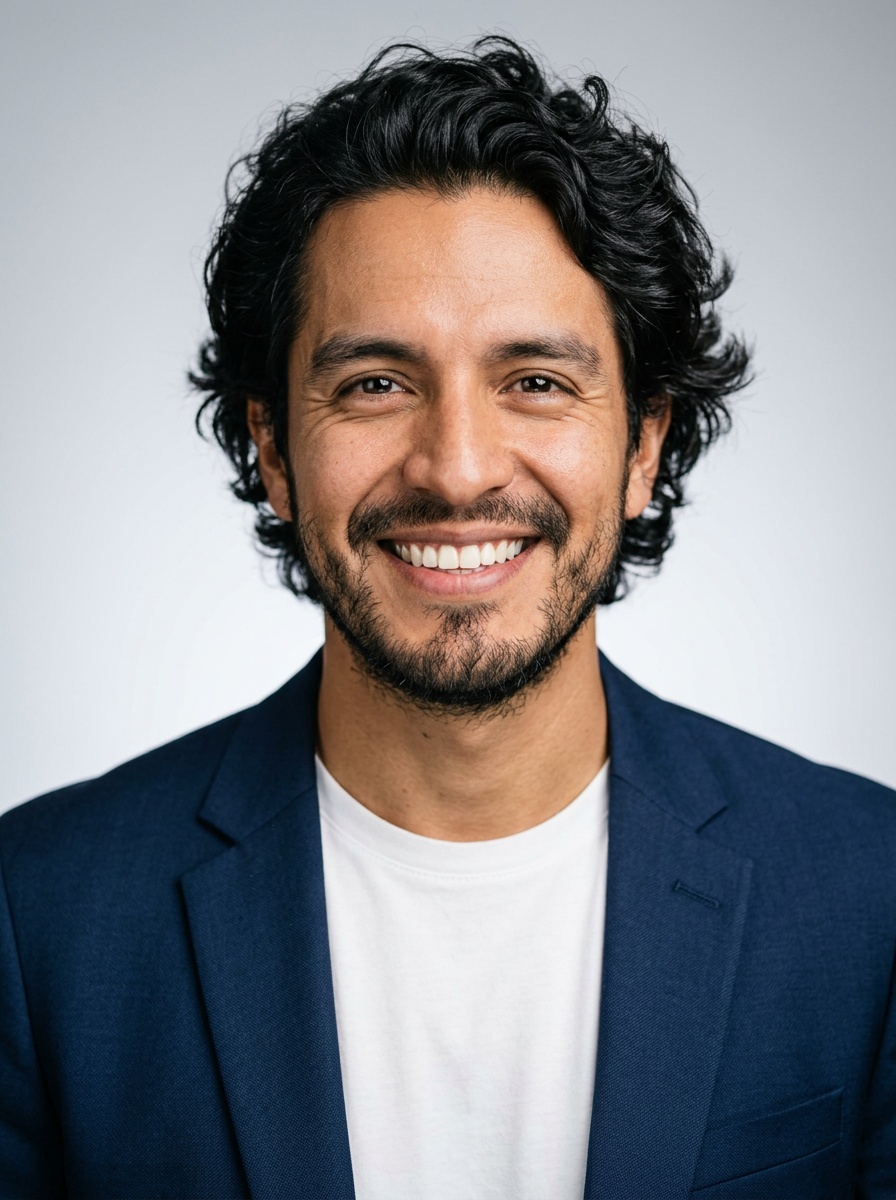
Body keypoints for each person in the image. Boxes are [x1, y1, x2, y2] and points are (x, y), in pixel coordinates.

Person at [0, 35, 893, 1200]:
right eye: (375, 383)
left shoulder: (866, 893)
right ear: (271, 447)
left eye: (534, 380)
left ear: (643, 445)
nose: (458, 469)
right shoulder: (40, 916)